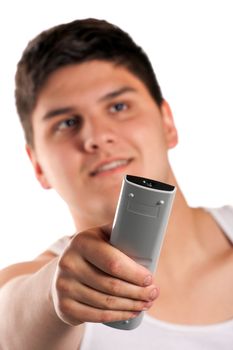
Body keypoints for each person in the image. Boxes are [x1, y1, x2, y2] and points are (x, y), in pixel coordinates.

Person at [0, 18, 232, 350]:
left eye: (119, 106)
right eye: (66, 123)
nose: (95, 137)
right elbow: (9, 321)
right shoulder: (37, 289)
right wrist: (52, 295)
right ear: (38, 165)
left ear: (167, 123)